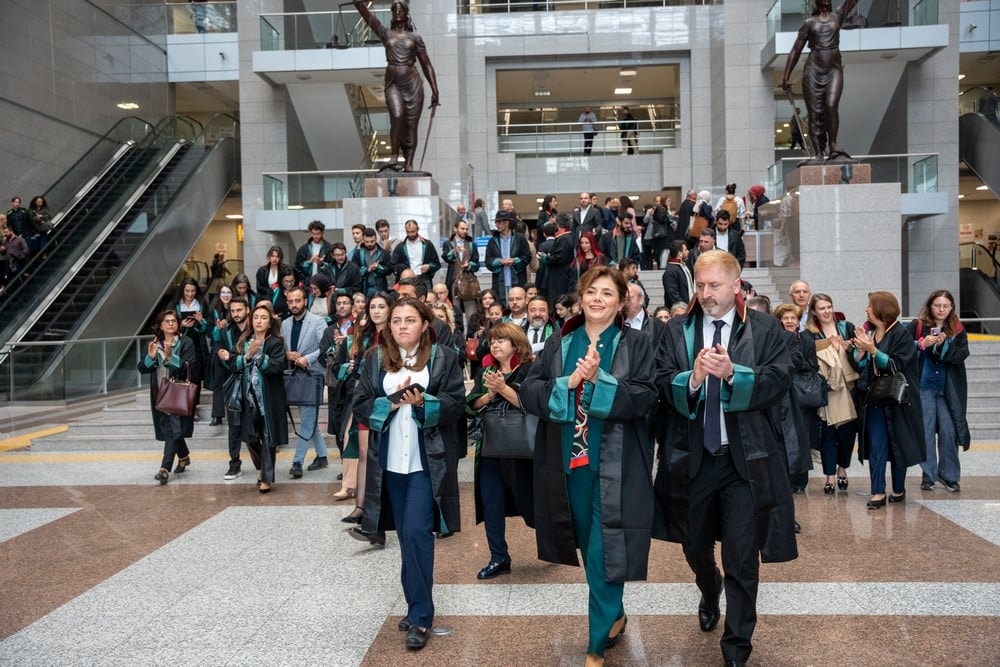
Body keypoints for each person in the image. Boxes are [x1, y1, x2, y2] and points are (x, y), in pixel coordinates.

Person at [653, 250, 797, 667]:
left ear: (737, 285)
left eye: (714, 285)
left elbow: (778, 380)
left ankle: (736, 646)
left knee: (741, 555)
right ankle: (707, 584)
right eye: (700, 284)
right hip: (692, 456)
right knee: (694, 543)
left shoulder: (765, 328)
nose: (705, 293)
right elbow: (662, 381)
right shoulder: (678, 329)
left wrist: (734, 373)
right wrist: (693, 379)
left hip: (744, 461)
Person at [520, 266, 656, 667]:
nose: (598, 299)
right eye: (591, 292)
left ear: (621, 302)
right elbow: (530, 390)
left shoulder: (638, 343)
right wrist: (568, 384)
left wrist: (601, 381)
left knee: (604, 547)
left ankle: (596, 644)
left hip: (616, 463)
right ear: (581, 299)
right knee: (589, 544)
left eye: (607, 293)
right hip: (568, 464)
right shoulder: (560, 343)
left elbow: (647, 395)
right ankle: (614, 613)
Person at [352, 297, 465, 650]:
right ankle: (415, 603)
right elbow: (360, 403)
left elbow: (455, 404)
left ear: (424, 324)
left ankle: (420, 616)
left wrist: (423, 404)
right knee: (404, 536)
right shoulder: (374, 360)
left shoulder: (444, 358)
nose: (402, 325)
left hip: (423, 463)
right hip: (388, 464)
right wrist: (392, 402)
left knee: (417, 533)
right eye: (396, 320)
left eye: (410, 320)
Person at [466, 323, 536, 579]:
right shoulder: (486, 371)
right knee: (491, 502)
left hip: (524, 449)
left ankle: (554, 546)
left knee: (535, 500)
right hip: (491, 446)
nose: (495, 345)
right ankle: (498, 557)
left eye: (501, 340)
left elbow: (533, 402)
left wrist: (504, 389)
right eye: (492, 341)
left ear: (516, 344)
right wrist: (488, 394)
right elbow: (470, 404)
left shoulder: (530, 369)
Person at [851, 290, 924, 509]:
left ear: (881, 309)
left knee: (898, 444)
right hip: (875, 398)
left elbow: (895, 365)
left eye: (870, 306)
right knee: (877, 445)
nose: (866, 309)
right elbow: (862, 366)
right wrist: (862, 353)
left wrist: (872, 350)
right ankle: (877, 491)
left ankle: (899, 488)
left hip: (897, 400)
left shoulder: (900, 333)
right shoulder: (871, 333)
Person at [354, 0, 439, 172]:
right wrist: (359, 4)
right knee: (397, 115)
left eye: (400, 10)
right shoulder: (386, 34)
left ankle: (409, 163)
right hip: (393, 83)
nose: (398, 13)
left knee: (411, 123)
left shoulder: (415, 38)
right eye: (395, 10)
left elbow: (427, 65)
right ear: (392, 14)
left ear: (406, 13)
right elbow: (369, 18)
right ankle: (393, 158)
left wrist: (435, 89)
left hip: (413, 85)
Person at [332, 291, 393, 516]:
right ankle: (360, 506)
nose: (376, 311)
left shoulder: (395, 335)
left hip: (389, 398)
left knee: (385, 453)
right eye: (373, 307)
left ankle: (381, 506)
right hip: (366, 399)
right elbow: (357, 368)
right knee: (364, 451)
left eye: (381, 307)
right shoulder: (364, 337)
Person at [223, 301, 288, 493]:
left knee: (268, 437)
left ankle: (266, 478)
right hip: (246, 399)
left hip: (268, 400)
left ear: (270, 323)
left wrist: (259, 355)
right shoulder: (243, 340)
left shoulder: (276, 342)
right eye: (256, 317)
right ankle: (262, 468)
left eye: (264, 318)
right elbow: (233, 365)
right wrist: (243, 357)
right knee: (249, 437)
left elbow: (277, 367)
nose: (259, 321)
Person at [781, 0, 859, 160]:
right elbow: (796, 49)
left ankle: (833, 145)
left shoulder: (838, 15)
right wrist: (786, 75)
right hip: (813, 70)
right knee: (815, 113)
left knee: (831, 105)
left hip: (834, 69)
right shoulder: (809, 23)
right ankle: (818, 153)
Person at [909, 290, 970, 492]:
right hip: (923, 387)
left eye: (946, 305)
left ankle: (950, 476)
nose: (941, 309)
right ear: (930, 306)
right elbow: (902, 347)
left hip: (948, 389)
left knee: (949, 432)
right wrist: (922, 344)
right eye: (937, 305)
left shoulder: (958, 329)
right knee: (925, 432)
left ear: (952, 307)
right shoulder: (918, 326)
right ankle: (928, 476)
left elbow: (962, 354)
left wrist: (944, 347)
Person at [806, 293, 860, 494]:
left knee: (846, 433)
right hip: (827, 389)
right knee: (828, 434)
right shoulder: (810, 333)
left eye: (829, 307)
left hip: (849, 388)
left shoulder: (847, 328)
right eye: (822, 308)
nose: (827, 311)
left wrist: (847, 349)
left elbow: (859, 357)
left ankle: (842, 469)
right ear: (814, 312)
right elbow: (809, 359)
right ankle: (829, 475)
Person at [139, 310, 197, 485]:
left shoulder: (186, 342)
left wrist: (172, 357)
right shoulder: (155, 344)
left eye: (174, 321)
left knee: (172, 428)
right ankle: (184, 456)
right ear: (161, 325)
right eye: (167, 321)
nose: (171, 324)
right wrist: (150, 358)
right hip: (159, 392)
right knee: (171, 428)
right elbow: (142, 368)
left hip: (176, 392)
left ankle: (164, 469)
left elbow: (190, 366)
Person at [281, 286, 330, 478]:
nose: (294, 304)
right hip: (295, 377)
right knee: (309, 420)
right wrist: (286, 354)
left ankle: (297, 461)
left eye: (298, 301)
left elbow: (325, 347)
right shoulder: (285, 324)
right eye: (291, 301)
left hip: (312, 376)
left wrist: (307, 358)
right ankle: (323, 455)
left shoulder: (318, 322)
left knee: (307, 420)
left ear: (305, 301)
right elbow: (282, 346)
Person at [773, 303, 817, 495]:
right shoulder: (775, 339)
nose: (790, 321)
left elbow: (812, 364)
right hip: (785, 395)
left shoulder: (807, 340)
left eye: (793, 318)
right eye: (786, 318)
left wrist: (796, 363)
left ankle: (801, 480)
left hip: (803, 393)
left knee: (802, 437)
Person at [215, 296, 250, 478]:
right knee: (234, 425)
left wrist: (232, 357)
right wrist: (225, 357)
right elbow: (221, 355)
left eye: (239, 310)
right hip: (233, 384)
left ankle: (261, 460)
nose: (236, 314)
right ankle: (234, 463)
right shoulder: (226, 331)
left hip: (253, 383)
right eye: (233, 311)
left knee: (254, 426)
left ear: (247, 310)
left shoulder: (255, 329)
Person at [173, 278, 209, 420]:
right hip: (180, 345)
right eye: (187, 291)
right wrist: (181, 325)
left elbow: (206, 328)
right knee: (181, 375)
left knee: (194, 377)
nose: (190, 294)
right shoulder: (175, 305)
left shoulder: (201, 304)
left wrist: (201, 322)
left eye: (193, 291)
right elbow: (169, 323)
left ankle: (192, 408)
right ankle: (181, 405)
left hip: (197, 344)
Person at [485, 211, 531, 306]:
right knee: (501, 308)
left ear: (507, 223)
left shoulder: (520, 239)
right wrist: (500, 261)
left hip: (517, 279)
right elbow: (488, 261)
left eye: (499, 222)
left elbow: (527, 257)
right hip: (499, 281)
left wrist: (514, 261)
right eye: (496, 222)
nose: (497, 225)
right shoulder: (493, 241)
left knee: (518, 306)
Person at [205, 284, 235, 426]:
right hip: (218, 349)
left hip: (233, 349)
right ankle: (217, 415)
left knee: (232, 381)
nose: (225, 295)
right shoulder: (214, 311)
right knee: (218, 383)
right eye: (223, 292)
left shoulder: (236, 309)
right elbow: (210, 334)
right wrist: (218, 328)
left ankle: (233, 410)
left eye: (228, 292)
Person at [391, 219, 440, 291]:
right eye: (408, 232)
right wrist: (404, 270)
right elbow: (393, 265)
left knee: (427, 300)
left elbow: (437, 263)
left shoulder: (427, 244)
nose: (410, 234)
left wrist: (429, 266)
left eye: (413, 232)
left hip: (424, 278)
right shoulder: (400, 247)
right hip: (406, 279)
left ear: (418, 229)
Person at [353, 226, 393, 297]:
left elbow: (390, 269)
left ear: (376, 239)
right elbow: (354, 270)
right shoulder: (358, 253)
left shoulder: (384, 253)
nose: (369, 244)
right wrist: (367, 270)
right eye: (367, 242)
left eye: (372, 241)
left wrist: (378, 267)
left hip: (380, 287)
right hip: (363, 288)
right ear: (363, 240)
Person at [662, 240, 694, 309]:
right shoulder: (671, 271)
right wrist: (683, 309)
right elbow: (673, 295)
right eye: (685, 250)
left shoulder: (683, 267)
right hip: (680, 312)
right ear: (680, 254)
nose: (688, 251)